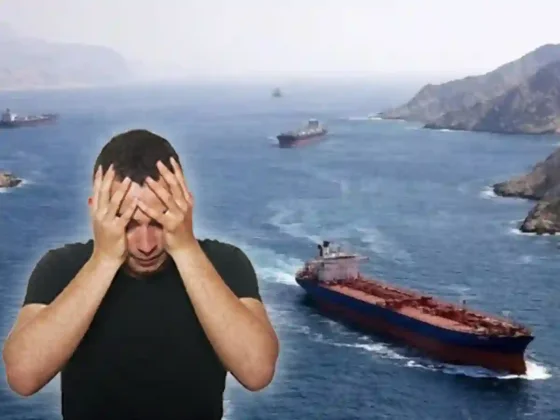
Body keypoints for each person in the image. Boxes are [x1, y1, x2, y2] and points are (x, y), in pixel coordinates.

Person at [2, 129, 280, 419]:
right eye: (128, 225)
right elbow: (23, 377)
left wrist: (186, 249)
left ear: (184, 206)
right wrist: (105, 259)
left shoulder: (225, 263)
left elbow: (257, 372)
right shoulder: (61, 267)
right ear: (97, 213)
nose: (146, 245)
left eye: (159, 222)